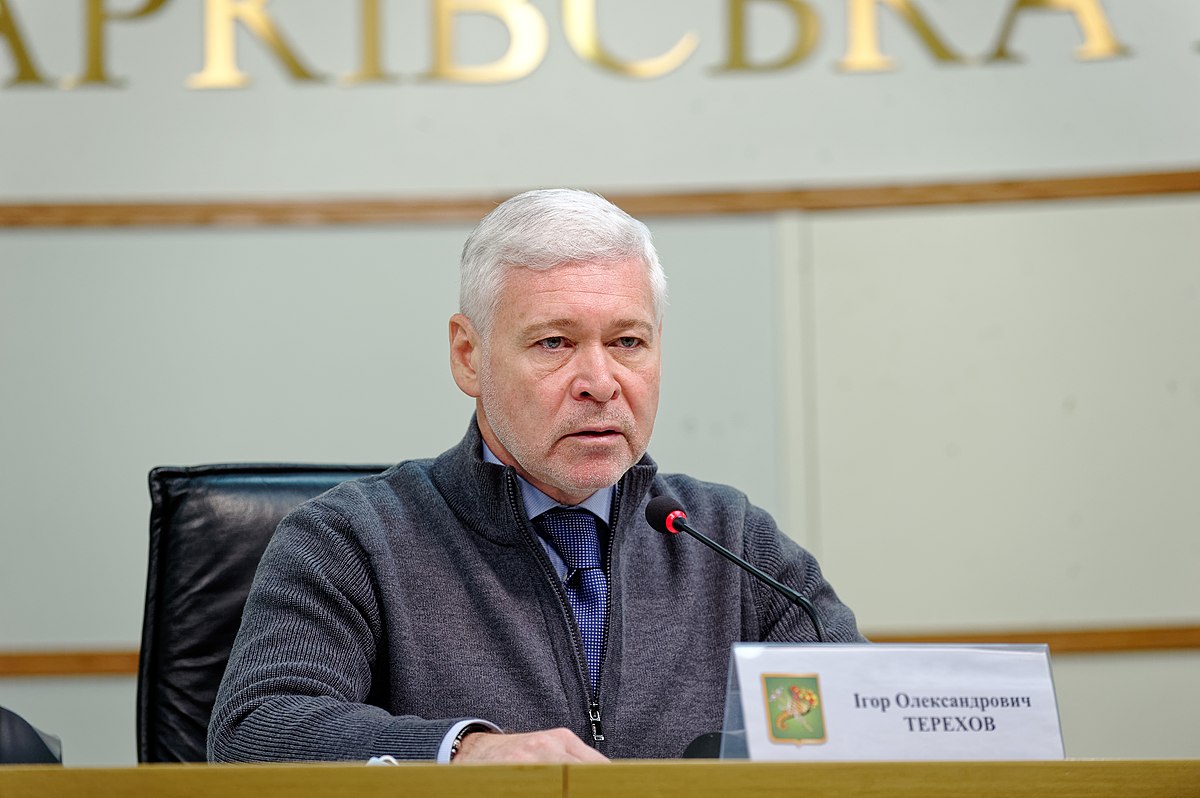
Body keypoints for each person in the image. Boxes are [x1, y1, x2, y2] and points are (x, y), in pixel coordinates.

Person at [208, 189, 863, 764]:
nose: (600, 382)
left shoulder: (727, 539)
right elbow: (254, 729)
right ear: (468, 356)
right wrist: (463, 752)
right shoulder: (352, 540)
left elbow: (868, 714)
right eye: (554, 342)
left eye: (628, 342)